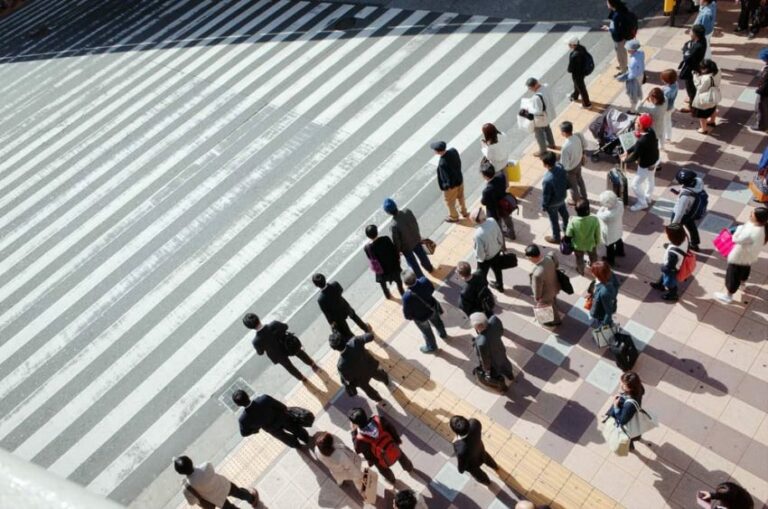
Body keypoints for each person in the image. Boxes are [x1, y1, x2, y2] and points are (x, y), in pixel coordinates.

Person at [714, 207, 768, 304]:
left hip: (739, 256)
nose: (750, 214)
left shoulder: (752, 232)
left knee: (732, 275)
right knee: (745, 270)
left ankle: (728, 295)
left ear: (757, 218)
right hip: (750, 254)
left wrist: (738, 230)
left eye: (752, 214)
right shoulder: (763, 227)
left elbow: (736, 239)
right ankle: (742, 284)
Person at [243, 313, 318, 382]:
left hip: (278, 355)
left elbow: (260, 352)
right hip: (288, 344)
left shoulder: (256, 341)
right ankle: (313, 365)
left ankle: (302, 378)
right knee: (300, 354)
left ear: (250, 327)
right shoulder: (274, 324)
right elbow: (285, 326)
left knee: (289, 367)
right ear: (258, 318)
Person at [348, 407, 413, 484]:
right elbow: (392, 429)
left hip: (378, 458)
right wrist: (397, 441)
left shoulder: (360, 439)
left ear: (355, 424)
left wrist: (353, 432)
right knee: (401, 456)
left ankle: (392, 480)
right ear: (365, 414)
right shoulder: (379, 419)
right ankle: (409, 467)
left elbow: (357, 449)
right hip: (392, 446)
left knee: (383, 469)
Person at [174, 455, 259, 509]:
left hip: (216, 499)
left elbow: (192, 502)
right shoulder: (206, 466)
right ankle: (252, 499)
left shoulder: (187, 488)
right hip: (225, 486)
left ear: (179, 473)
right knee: (239, 493)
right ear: (190, 460)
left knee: (229, 508)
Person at [233, 390, 310, 448]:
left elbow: (244, 433)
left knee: (285, 438)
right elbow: (281, 406)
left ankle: (297, 446)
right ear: (247, 395)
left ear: (238, 405)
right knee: (296, 429)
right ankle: (306, 439)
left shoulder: (243, 419)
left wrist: (256, 429)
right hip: (283, 418)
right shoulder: (264, 399)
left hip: (271, 428)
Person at [330, 331, 390, 402]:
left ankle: (378, 398)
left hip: (361, 380)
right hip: (371, 366)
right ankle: (386, 381)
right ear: (343, 338)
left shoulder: (340, 365)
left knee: (368, 390)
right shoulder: (355, 341)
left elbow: (347, 379)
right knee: (379, 374)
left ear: (334, 349)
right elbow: (370, 336)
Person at [383, 198, 434, 277]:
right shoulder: (407, 211)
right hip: (416, 239)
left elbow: (396, 241)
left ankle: (420, 277)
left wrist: (398, 251)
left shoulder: (393, 225)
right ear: (396, 205)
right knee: (422, 255)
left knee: (412, 263)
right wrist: (417, 235)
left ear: (388, 212)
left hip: (406, 247)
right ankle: (429, 268)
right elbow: (415, 223)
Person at [313, 273, 371, 340]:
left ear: (316, 285)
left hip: (337, 316)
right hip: (344, 305)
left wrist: (331, 322)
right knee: (354, 317)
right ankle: (365, 328)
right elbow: (341, 290)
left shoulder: (320, 300)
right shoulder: (335, 284)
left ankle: (357, 342)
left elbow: (326, 313)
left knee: (347, 331)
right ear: (324, 278)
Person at [402, 269, 447, 353]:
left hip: (420, 318)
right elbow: (432, 289)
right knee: (438, 322)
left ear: (405, 283)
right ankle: (443, 334)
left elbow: (407, 313)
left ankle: (432, 347)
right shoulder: (424, 280)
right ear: (415, 277)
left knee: (427, 332)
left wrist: (411, 317)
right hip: (432, 308)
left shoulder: (407, 297)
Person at [623, 113, 659, 212]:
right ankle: (648, 197)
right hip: (654, 160)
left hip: (646, 165)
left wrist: (624, 160)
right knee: (650, 179)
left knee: (635, 185)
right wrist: (628, 151)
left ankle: (642, 203)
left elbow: (635, 156)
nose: (635, 123)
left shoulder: (642, 141)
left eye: (637, 122)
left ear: (641, 126)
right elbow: (637, 146)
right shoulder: (651, 131)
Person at [450, 415, 499, 485]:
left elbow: (461, 468)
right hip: (481, 451)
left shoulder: (460, 448)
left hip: (472, 465)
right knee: (489, 460)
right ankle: (495, 467)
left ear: (456, 432)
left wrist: (457, 441)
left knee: (480, 476)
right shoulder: (475, 423)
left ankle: (488, 482)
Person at [470, 312, 515, 389]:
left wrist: (486, 369)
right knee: (505, 363)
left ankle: (503, 384)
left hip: (493, 359)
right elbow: (501, 331)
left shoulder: (481, 342)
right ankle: (510, 375)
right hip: (500, 349)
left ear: (477, 327)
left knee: (497, 371)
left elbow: (485, 359)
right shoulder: (494, 320)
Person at [605, 371, 646, 451]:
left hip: (628, 424)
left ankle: (630, 447)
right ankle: (637, 437)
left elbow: (622, 420)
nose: (621, 385)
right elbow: (642, 392)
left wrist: (616, 406)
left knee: (627, 436)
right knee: (635, 431)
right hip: (635, 416)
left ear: (630, 388)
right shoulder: (639, 387)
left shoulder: (629, 405)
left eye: (623, 384)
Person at [431, 141, 468, 222]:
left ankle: (454, 216)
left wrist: (446, 187)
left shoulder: (442, 163)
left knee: (450, 202)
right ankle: (464, 212)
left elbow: (445, 178)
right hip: (459, 179)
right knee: (461, 196)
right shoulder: (453, 151)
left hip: (452, 186)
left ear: (438, 151)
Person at [650, 224, 689, 301]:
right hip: (677, 263)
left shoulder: (673, 253)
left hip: (672, 269)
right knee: (664, 276)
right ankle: (660, 284)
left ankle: (673, 294)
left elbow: (669, 267)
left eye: (668, 234)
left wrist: (663, 268)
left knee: (670, 282)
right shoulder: (685, 237)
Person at [519, 77, 556, 156]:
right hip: (550, 113)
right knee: (547, 128)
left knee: (538, 133)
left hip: (542, 117)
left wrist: (529, 110)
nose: (530, 90)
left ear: (534, 86)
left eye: (530, 88)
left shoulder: (536, 97)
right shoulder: (546, 86)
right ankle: (551, 144)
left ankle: (542, 150)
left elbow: (538, 111)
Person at [480, 157, 516, 240]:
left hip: (494, 211)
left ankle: (502, 243)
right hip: (504, 204)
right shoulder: (501, 176)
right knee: (508, 220)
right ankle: (512, 235)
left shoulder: (487, 190)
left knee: (498, 227)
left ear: (485, 176)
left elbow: (484, 202)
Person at [364, 225, 404, 300]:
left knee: (383, 284)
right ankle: (402, 292)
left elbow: (370, 258)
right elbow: (394, 251)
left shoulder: (367, 248)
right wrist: (398, 260)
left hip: (381, 271)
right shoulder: (386, 239)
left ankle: (387, 294)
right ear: (377, 232)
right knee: (398, 280)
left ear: (368, 236)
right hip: (393, 266)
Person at [526, 244, 562, 326]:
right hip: (555, 285)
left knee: (549, 306)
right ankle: (555, 302)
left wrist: (537, 298)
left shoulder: (537, 274)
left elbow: (537, 290)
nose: (527, 259)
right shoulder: (550, 256)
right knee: (553, 299)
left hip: (546, 294)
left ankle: (555, 321)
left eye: (528, 257)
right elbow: (556, 265)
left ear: (532, 257)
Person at [565, 200, 601, 276]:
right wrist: (597, 242)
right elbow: (597, 233)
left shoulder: (573, 221)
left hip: (578, 246)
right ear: (588, 210)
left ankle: (580, 270)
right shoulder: (594, 220)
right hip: (591, 244)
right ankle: (594, 269)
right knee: (593, 257)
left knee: (579, 259)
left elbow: (568, 235)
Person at [472, 208, 505, 292]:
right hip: (497, 252)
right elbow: (499, 234)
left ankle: (484, 290)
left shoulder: (478, 234)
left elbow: (480, 252)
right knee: (497, 270)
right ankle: (500, 286)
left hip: (486, 258)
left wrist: (480, 259)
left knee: (481, 275)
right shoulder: (492, 220)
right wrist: (501, 245)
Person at [540, 151, 570, 244]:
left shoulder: (547, 179)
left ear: (546, 164)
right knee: (565, 215)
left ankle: (556, 237)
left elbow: (546, 196)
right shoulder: (561, 167)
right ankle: (567, 230)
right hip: (562, 197)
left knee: (554, 221)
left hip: (552, 203)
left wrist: (544, 206)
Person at [670, 169, 704, 251]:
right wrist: (680, 192)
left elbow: (679, 213)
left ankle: (678, 244)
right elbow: (688, 190)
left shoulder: (685, 197)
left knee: (677, 230)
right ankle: (694, 244)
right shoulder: (699, 181)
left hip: (683, 213)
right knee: (692, 227)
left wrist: (673, 225)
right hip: (691, 211)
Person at [602, 0, 637, 76]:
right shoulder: (621, 9)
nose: (606, 3)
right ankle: (622, 66)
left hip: (620, 39)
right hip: (625, 35)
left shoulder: (617, 16)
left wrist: (608, 29)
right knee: (621, 53)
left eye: (608, 2)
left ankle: (624, 70)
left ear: (612, 4)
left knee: (621, 55)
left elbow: (617, 31)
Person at [678, 24, 707, 111]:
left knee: (690, 87)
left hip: (691, 69)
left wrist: (685, 50)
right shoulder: (701, 40)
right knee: (692, 86)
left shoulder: (698, 46)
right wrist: (686, 48)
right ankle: (692, 99)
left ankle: (692, 105)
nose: (690, 32)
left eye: (691, 31)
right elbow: (687, 44)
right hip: (695, 66)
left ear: (695, 34)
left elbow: (687, 57)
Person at [559, 121, 588, 204]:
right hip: (578, 163)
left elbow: (564, 165)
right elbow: (584, 146)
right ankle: (584, 196)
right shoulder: (576, 137)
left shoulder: (565, 147)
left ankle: (575, 200)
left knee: (573, 185)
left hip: (571, 169)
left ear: (564, 133)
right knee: (580, 180)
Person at [692, 59, 721, 134]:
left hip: (704, 99)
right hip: (714, 95)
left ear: (706, 68)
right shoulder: (718, 71)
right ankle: (712, 121)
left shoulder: (706, 78)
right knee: (713, 108)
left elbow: (700, 89)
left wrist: (695, 77)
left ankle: (703, 129)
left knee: (702, 115)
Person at [596, 190, 625, 267]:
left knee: (610, 247)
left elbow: (598, 214)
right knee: (619, 240)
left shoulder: (607, 215)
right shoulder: (620, 204)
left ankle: (610, 260)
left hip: (609, 233)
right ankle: (620, 252)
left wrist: (602, 208)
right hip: (618, 228)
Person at [616, 39, 645, 114]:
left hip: (634, 79)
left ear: (632, 50)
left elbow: (632, 74)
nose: (627, 50)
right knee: (638, 89)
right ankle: (637, 102)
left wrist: (624, 77)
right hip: (640, 75)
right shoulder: (641, 53)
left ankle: (633, 110)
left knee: (633, 94)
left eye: (628, 49)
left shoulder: (633, 61)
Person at [588, 261, 621, 327]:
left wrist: (603, 325)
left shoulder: (604, 292)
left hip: (600, 313)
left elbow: (608, 312)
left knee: (602, 324)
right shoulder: (609, 274)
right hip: (603, 304)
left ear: (599, 275)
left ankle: (606, 327)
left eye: (593, 272)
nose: (591, 273)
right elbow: (617, 285)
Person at [567, 37, 592, 108]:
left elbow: (570, 68)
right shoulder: (582, 48)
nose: (568, 45)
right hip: (583, 71)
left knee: (581, 88)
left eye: (569, 44)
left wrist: (569, 70)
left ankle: (587, 104)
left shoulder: (574, 55)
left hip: (577, 74)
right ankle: (575, 96)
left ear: (573, 45)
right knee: (577, 85)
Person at [660, 69, 679, 145]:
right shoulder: (676, 84)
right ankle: (668, 137)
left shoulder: (667, 91)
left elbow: (663, 100)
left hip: (665, 109)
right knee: (668, 122)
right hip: (671, 107)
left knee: (663, 124)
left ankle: (663, 140)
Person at [754, 48, 768, 132]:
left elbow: (763, 80)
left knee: (760, 108)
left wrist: (759, 89)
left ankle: (761, 125)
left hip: (765, 92)